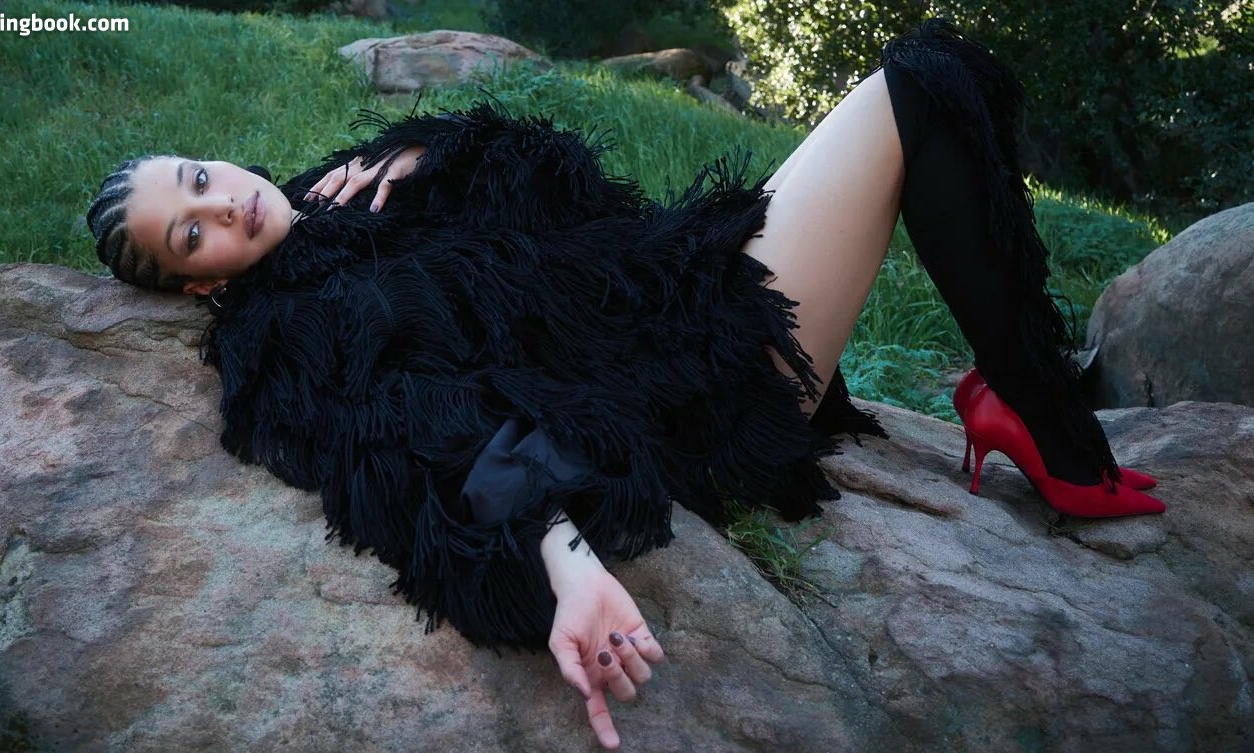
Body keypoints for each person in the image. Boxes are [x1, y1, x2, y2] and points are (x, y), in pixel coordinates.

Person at [85, 18, 1165, 750]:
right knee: (921, 85)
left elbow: (565, 184)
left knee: (930, 73)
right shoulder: (284, 332)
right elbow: (413, 441)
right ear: (198, 284)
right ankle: (1038, 414)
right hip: (715, 383)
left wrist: (431, 149)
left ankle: (1016, 398)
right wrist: (565, 561)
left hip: (678, 292)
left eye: (199, 178)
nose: (222, 205)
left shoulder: (336, 190)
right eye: (192, 232)